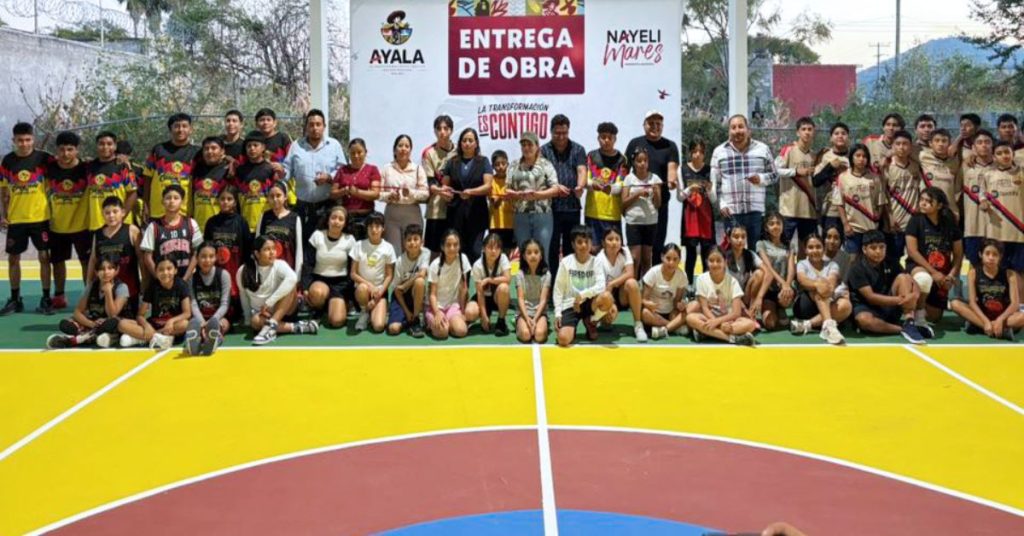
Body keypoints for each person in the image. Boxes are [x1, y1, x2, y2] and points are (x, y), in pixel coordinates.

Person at [0, 122, 53, 315]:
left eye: (28, 139)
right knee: (13, 259)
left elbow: (67, 164)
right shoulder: (8, 161)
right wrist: (3, 215)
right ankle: (15, 299)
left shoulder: (44, 159)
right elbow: (4, 190)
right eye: (20, 140)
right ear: (14, 141)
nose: (24, 143)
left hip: (40, 218)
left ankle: (46, 298)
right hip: (17, 219)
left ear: (34, 139)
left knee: (45, 257)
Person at [284, 109, 345, 264]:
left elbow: (343, 171)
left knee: (326, 245)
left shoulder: (334, 145)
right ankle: (304, 281)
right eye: (311, 124)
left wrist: (329, 177)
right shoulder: (296, 146)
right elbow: (287, 171)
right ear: (306, 127)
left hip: (327, 205)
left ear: (324, 126)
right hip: (302, 207)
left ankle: (324, 280)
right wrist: (279, 172)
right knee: (303, 245)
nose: (315, 128)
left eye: (318, 124)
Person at [710, 114, 778, 248]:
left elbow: (775, 175)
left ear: (748, 129)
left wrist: (761, 178)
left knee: (755, 251)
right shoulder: (719, 152)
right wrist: (722, 204)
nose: (737, 131)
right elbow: (715, 183)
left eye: (741, 126)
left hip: (755, 210)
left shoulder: (762, 149)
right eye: (733, 127)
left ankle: (753, 270)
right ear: (729, 131)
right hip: (731, 211)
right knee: (732, 252)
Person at [847, 230, 925, 343]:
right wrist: (902, 300)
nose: (878, 251)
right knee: (864, 320)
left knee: (903, 278)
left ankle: (909, 320)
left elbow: (911, 281)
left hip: (889, 305)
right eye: (873, 248)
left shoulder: (891, 261)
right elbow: (871, 298)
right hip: (867, 307)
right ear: (864, 249)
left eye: (881, 247)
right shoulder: (857, 267)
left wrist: (914, 295)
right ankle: (902, 329)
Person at [238, 235, 318, 345]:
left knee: (290, 285)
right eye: (267, 249)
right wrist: (247, 319)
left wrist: (269, 301)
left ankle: (271, 326)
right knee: (255, 322)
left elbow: (293, 278)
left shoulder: (279, 264)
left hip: (285, 309)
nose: (272, 252)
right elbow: (243, 295)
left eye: (273, 248)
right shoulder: (243, 271)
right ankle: (296, 327)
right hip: (263, 314)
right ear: (257, 253)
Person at [905, 187, 963, 332]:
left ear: (939, 205)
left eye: (928, 201)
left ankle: (915, 305)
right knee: (924, 279)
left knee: (935, 317)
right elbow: (912, 252)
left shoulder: (950, 223)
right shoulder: (915, 220)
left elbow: (958, 254)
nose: (923, 203)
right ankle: (917, 316)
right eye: (922, 200)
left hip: (942, 273)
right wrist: (932, 272)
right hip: (919, 266)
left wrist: (951, 275)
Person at [624, 110, 680, 260]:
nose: (655, 127)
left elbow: (672, 170)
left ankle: (652, 281)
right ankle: (634, 282)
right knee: (635, 251)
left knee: (656, 247)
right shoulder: (634, 143)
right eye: (651, 123)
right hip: (635, 206)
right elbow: (624, 172)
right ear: (644, 125)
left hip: (658, 205)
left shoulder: (670, 146)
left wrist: (672, 182)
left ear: (662, 126)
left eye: (658, 124)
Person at [46, 253, 130, 349]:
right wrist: (92, 324)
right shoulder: (91, 286)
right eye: (102, 269)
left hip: (112, 323)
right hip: (94, 323)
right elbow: (77, 312)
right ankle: (93, 336)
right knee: (64, 324)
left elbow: (112, 314)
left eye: (110, 268)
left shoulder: (122, 287)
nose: (106, 272)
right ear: (96, 272)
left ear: (117, 270)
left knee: (112, 322)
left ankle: (75, 340)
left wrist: (108, 293)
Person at [47, 131, 91, 310]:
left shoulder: (87, 168)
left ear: (77, 150)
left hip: (82, 225)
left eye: (70, 150)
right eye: (62, 150)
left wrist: (122, 157)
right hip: (57, 225)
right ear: (57, 150)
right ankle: (59, 295)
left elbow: (108, 162)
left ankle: (89, 296)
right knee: (57, 261)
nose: (65, 154)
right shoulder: (49, 168)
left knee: (86, 262)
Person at [541, 114, 587, 278]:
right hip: (550, 208)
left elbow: (582, 170)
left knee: (571, 248)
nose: (561, 137)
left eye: (564, 133)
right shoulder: (543, 150)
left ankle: (569, 285)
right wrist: (555, 187)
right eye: (557, 133)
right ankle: (552, 286)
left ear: (568, 131)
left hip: (572, 207)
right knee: (552, 248)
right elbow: (541, 175)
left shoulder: (578, 149)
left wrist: (581, 185)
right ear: (551, 131)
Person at [553, 225, 613, 347]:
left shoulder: (596, 261)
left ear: (591, 244)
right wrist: (558, 314)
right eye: (579, 242)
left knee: (607, 297)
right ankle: (572, 328)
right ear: (573, 245)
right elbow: (558, 290)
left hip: (589, 303)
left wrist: (582, 295)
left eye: (587, 242)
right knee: (563, 340)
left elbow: (601, 286)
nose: (584, 245)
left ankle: (591, 321)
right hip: (570, 305)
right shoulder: (565, 262)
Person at [951, 239, 1023, 341]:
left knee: (1022, 317)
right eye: (987, 254)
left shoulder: (1010, 274)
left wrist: (1000, 319)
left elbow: (1015, 304)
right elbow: (972, 302)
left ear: (1000, 257)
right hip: (982, 315)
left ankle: (979, 327)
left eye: (995, 255)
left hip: (1004, 317)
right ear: (981, 254)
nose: (991, 258)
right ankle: (999, 330)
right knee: (955, 304)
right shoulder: (973, 273)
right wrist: (986, 322)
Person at [686, 246, 757, 345]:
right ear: (706, 262)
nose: (715, 264)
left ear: (725, 262)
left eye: (719, 261)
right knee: (690, 318)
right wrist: (716, 322)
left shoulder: (732, 282)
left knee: (750, 325)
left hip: (728, 320)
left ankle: (707, 333)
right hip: (709, 318)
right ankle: (731, 338)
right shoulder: (701, 279)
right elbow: (705, 308)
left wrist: (720, 322)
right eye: (711, 261)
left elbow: (736, 313)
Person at [442, 128, 494, 263]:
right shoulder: (452, 162)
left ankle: (473, 283)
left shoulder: (484, 161)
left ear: (476, 143)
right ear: (460, 143)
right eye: (464, 140)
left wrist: (472, 192)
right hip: (455, 214)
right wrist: (445, 194)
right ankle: (460, 283)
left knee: (475, 252)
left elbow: (488, 186)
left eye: (470, 140)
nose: (467, 143)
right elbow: (445, 186)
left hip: (477, 214)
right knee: (457, 252)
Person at [119, 258, 192, 350]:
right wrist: (147, 326)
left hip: (172, 326)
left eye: (169, 269)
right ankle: (158, 338)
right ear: (156, 273)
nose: (165, 272)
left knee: (185, 324)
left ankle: (145, 338)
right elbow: (140, 315)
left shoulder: (182, 285)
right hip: (155, 324)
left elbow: (187, 313)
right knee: (122, 324)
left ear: (175, 270)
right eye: (161, 270)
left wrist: (171, 321)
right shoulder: (152, 287)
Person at [87, 197, 142, 317]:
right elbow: (93, 260)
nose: (111, 216)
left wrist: (145, 285)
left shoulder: (132, 231)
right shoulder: (98, 234)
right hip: (106, 288)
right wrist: (89, 284)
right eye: (107, 213)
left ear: (122, 212)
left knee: (128, 322)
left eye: (115, 212)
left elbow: (142, 260)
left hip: (130, 288)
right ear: (102, 214)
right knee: (104, 321)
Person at [790, 234, 851, 344]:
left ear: (823, 248)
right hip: (806, 306)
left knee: (846, 306)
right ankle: (828, 325)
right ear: (805, 250)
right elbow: (803, 280)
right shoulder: (801, 264)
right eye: (811, 247)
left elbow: (831, 284)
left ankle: (809, 325)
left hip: (828, 304)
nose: (815, 250)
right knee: (818, 291)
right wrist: (818, 284)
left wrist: (824, 286)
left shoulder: (833, 265)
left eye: (818, 247)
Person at [508, 132, 559, 260]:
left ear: (537, 146)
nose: (526, 148)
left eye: (530, 144)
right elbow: (506, 189)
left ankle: (543, 280)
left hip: (542, 215)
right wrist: (515, 194)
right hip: (520, 215)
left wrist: (537, 195)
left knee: (542, 254)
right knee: (524, 254)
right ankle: (524, 281)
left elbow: (555, 189)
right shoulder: (514, 165)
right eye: (523, 145)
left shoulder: (546, 164)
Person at [304, 205, 356, 329]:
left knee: (336, 321)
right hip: (320, 280)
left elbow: (352, 270)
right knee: (316, 293)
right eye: (333, 218)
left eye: (340, 219)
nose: (336, 221)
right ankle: (318, 309)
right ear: (328, 220)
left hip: (340, 284)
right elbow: (308, 263)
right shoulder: (317, 235)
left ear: (345, 223)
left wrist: (349, 294)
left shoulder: (350, 240)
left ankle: (335, 304)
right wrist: (305, 287)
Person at [203, 184, 251, 316]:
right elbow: (207, 248)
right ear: (218, 200)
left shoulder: (241, 222)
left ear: (235, 202)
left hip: (236, 270)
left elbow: (247, 249)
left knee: (235, 313)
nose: (225, 202)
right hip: (217, 271)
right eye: (222, 198)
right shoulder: (211, 222)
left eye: (229, 199)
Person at [143, 113, 200, 220]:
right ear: (170, 129)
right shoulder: (158, 150)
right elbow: (147, 178)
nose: (180, 130)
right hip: (158, 211)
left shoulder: (197, 153)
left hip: (184, 212)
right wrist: (145, 204)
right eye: (176, 126)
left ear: (190, 129)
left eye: (184, 126)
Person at [140, 184, 203, 281]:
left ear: (182, 201)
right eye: (168, 198)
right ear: (162, 202)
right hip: (162, 280)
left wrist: (186, 278)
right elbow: (147, 257)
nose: (172, 201)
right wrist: (158, 277)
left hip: (186, 278)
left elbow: (196, 253)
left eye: (176, 198)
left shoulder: (191, 223)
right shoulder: (154, 226)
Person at [879, 130, 923, 265]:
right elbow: (883, 194)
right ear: (892, 146)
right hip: (895, 222)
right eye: (898, 144)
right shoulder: (886, 167)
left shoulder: (916, 166)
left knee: (916, 258)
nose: (901, 147)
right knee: (893, 259)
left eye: (905, 144)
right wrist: (889, 217)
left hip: (914, 220)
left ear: (911, 147)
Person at [984, 141, 1024, 288]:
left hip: (1019, 231)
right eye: (999, 153)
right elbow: (982, 194)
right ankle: (1001, 302)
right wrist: (983, 202)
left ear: (1013, 154)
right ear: (993, 157)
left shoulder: (1021, 171)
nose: (1004, 156)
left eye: (1007, 152)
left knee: (1018, 270)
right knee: (998, 270)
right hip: (997, 232)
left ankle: (1020, 305)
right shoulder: (988, 175)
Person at [595, 227, 646, 342]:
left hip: (622, 294)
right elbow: (601, 289)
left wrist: (613, 283)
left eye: (617, 239)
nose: (614, 242)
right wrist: (610, 305)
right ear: (603, 243)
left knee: (632, 283)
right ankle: (600, 319)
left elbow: (630, 273)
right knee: (607, 321)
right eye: (610, 239)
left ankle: (638, 325)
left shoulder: (625, 251)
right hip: (606, 294)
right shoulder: (599, 259)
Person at [835, 143, 886, 254]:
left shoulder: (874, 178)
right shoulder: (843, 177)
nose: (861, 159)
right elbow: (839, 203)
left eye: (864, 156)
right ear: (851, 157)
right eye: (857, 155)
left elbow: (881, 201)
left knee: (871, 258)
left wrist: (877, 219)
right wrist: (845, 224)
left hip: (871, 228)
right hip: (853, 228)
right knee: (853, 259)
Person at [775, 117, 818, 248]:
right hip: (789, 210)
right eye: (803, 129)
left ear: (814, 132)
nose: (807, 132)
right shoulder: (788, 150)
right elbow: (775, 170)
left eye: (810, 129)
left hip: (809, 210)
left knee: (806, 249)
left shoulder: (815, 155)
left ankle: (800, 269)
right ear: (797, 132)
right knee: (783, 247)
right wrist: (796, 172)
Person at [381, 134, 428, 252]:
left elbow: (426, 194)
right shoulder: (386, 168)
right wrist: (389, 196)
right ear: (394, 149)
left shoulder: (418, 169)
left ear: (411, 150)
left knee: (412, 252)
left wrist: (411, 193)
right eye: (400, 145)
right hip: (392, 215)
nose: (403, 149)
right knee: (393, 252)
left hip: (412, 214)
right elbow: (378, 192)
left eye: (407, 146)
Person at [584, 122, 627, 252]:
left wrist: (611, 188)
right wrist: (593, 184)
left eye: (610, 137)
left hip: (612, 214)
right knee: (592, 251)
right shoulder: (591, 156)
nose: (606, 140)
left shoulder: (622, 159)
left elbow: (621, 184)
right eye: (603, 137)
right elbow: (584, 180)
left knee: (613, 252)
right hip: (593, 213)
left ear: (615, 139)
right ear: (598, 138)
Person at [351, 211, 396, 333]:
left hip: (379, 291)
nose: (374, 230)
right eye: (370, 226)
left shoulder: (388, 247)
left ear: (383, 228)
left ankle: (376, 310)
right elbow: (353, 273)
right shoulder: (358, 245)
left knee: (379, 326)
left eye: (377, 226)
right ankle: (364, 311)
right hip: (363, 291)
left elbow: (389, 276)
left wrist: (379, 293)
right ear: (367, 228)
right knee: (362, 288)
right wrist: (370, 286)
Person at [185, 242, 233, 356]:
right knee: (193, 323)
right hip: (200, 318)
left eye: (211, 256)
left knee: (224, 324)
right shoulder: (192, 279)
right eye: (203, 256)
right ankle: (196, 342)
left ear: (216, 257)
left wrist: (213, 321)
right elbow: (193, 304)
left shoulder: (224, 275)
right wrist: (202, 323)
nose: (207, 260)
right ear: (197, 258)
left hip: (218, 317)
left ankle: (213, 340)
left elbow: (225, 304)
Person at [622, 147, 663, 278]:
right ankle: (632, 287)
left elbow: (658, 204)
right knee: (634, 258)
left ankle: (644, 289)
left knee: (647, 259)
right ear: (634, 162)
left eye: (645, 160)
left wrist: (656, 192)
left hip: (651, 222)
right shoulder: (629, 179)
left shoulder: (655, 178)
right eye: (639, 161)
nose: (642, 164)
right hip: (633, 221)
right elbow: (623, 203)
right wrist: (638, 193)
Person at [678, 139, 714, 284]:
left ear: (704, 154)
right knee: (691, 253)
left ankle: (707, 286)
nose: (697, 155)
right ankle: (689, 286)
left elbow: (714, 199)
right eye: (694, 151)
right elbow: (680, 197)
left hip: (706, 215)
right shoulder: (682, 169)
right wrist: (689, 189)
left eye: (700, 152)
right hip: (690, 216)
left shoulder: (710, 170)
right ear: (690, 153)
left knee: (707, 252)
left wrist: (709, 190)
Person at [421, 115, 457, 255]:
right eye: (439, 129)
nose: (442, 132)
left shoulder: (459, 151)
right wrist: (442, 192)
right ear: (435, 131)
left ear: (451, 131)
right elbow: (429, 182)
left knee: (454, 249)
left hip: (456, 209)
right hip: (436, 210)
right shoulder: (429, 153)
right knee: (433, 251)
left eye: (446, 128)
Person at [753, 212, 796, 331]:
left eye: (778, 223)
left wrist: (787, 284)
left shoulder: (789, 245)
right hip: (769, 289)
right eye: (771, 224)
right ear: (766, 228)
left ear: (783, 226)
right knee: (770, 323)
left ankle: (781, 308)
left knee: (785, 296)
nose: (775, 226)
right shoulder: (761, 244)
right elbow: (768, 267)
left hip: (784, 290)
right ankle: (774, 309)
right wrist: (783, 282)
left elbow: (791, 267)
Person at [427, 229, 473, 339]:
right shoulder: (435, 265)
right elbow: (432, 294)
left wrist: (462, 311)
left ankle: (449, 322)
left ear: (459, 246)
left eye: (455, 245)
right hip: (436, 307)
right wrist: (437, 312)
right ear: (442, 247)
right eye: (448, 245)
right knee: (442, 333)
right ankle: (430, 322)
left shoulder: (463, 259)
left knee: (461, 331)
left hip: (453, 305)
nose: (452, 248)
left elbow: (463, 288)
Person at [331, 138, 381, 240]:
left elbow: (375, 194)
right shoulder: (342, 170)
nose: (356, 156)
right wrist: (344, 191)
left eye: (359, 152)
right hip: (346, 218)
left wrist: (357, 192)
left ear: (365, 152)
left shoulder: (372, 170)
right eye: (353, 153)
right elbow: (332, 193)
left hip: (366, 217)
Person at [88, 131, 138, 233]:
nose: (105, 147)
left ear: (115, 146)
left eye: (109, 144)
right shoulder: (89, 167)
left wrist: (121, 218)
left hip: (120, 224)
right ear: (97, 146)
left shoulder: (123, 166)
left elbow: (132, 193)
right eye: (101, 144)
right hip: (97, 223)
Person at [387, 223, 430, 338]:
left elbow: (422, 273)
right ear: (404, 243)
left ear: (422, 242)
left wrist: (405, 284)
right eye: (409, 240)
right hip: (401, 298)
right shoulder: (400, 261)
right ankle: (408, 319)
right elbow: (397, 290)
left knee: (420, 281)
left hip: (416, 294)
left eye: (416, 239)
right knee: (393, 329)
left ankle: (415, 320)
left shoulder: (425, 253)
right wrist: (406, 311)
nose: (412, 243)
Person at [961, 129, 995, 266]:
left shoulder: (1001, 166)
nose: (984, 145)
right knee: (974, 267)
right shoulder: (964, 165)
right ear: (973, 147)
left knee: (998, 267)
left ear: (993, 145)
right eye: (979, 142)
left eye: (987, 142)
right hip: (972, 227)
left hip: (996, 228)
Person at [640, 244, 689, 340]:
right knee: (645, 313)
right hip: (654, 313)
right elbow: (643, 300)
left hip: (671, 312)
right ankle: (675, 327)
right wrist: (648, 304)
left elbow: (676, 302)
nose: (671, 262)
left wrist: (680, 305)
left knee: (689, 309)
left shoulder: (681, 275)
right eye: (668, 258)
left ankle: (664, 329)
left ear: (679, 260)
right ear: (662, 257)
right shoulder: (653, 272)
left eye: (675, 259)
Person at [812, 122, 852, 237]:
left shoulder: (855, 155)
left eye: (843, 133)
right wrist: (830, 167)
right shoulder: (825, 156)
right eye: (836, 133)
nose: (840, 136)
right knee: (830, 245)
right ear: (831, 138)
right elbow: (815, 181)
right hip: (831, 209)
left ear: (848, 137)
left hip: (853, 208)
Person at [234, 130, 279, 232]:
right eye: (249, 146)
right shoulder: (240, 170)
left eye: (255, 145)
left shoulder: (270, 169)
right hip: (245, 223)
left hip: (266, 222)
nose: (252, 149)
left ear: (263, 147)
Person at [468, 233, 511, 335]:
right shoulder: (477, 265)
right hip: (484, 297)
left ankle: (501, 321)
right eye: (490, 247)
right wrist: (483, 316)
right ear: (483, 248)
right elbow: (479, 293)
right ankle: (481, 317)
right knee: (469, 313)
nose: (493, 251)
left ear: (500, 250)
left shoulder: (503, 258)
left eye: (497, 248)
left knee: (504, 288)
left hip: (497, 298)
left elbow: (508, 279)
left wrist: (489, 280)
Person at [257, 181, 303, 276]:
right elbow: (257, 245)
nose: (275, 199)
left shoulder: (294, 218)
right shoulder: (264, 216)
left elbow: (298, 248)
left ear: (285, 197)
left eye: (278, 195)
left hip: (287, 270)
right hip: (267, 271)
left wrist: (297, 276)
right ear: (268, 198)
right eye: (271, 196)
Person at [918, 128, 962, 222]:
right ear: (930, 143)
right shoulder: (922, 156)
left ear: (949, 144)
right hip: (928, 210)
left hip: (949, 210)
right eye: (937, 141)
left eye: (944, 141)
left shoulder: (955, 160)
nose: (940, 144)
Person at [190, 136, 231, 231]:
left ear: (222, 151)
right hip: (198, 227)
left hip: (221, 226)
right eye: (206, 149)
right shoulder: (196, 169)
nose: (210, 151)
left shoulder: (228, 170)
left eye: (214, 148)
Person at [515, 239, 551, 344]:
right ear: (524, 256)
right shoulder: (519, 274)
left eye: (536, 252)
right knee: (526, 335)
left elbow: (543, 300)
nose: (533, 255)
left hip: (539, 313)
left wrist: (535, 319)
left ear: (541, 255)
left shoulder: (546, 275)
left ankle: (542, 324)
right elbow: (520, 299)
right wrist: (526, 318)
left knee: (539, 336)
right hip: (524, 313)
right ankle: (518, 324)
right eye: (529, 253)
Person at [724, 225, 766, 313]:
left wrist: (759, 297)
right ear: (728, 239)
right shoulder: (723, 258)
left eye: (743, 237)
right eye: (736, 237)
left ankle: (752, 310)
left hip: (744, 295)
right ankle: (744, 312)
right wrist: (743, 309)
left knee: (759, 273)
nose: (740, 240)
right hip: (728, 297)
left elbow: (768, 272)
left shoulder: (750, 254)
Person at [254, 108, 293, 201]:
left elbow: (292, 159)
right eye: (262, 120)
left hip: (281, 181)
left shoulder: (283, 138)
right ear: (256, 124)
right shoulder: (254, 139)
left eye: (268, 119)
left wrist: (282, 167)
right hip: (261, 183)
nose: (265, 123)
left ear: (275, 122)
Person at [488, 150, 516, 252]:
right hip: (495, 225)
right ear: (492, 166)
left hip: (511, 223)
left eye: (503, 164)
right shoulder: (491, 181)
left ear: (508, 164)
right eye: (497, 164)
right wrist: (503, 196)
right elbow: (494, 204)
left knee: (509, 252)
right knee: (495, 251)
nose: (500, 167)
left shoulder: (512, 180)